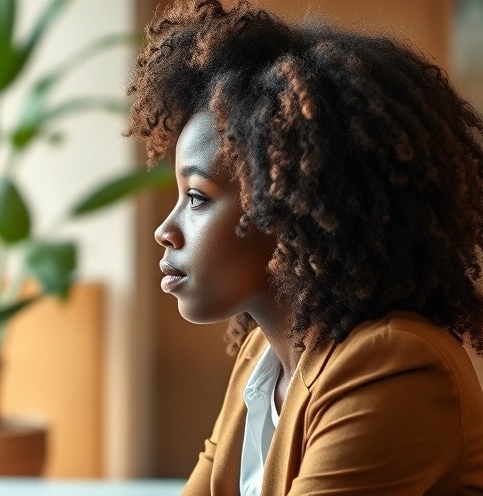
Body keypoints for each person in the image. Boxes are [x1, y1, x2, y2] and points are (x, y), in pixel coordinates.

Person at [126, 1, 483, 494]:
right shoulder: (264, 358)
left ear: (290, 207)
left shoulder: (392, 367)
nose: (166, 229)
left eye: (196, 197)